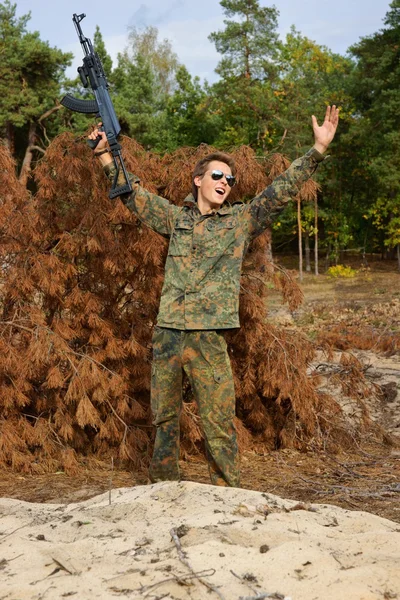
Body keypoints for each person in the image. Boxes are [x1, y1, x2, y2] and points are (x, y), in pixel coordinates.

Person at [90, 105, 339, 488]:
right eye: (218, 175)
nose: (225, 182)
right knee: (164, 419)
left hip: (209, 338)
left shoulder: (240, 222)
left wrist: (317, 150)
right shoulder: (175, 219)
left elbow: (280, 191)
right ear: (198, 180)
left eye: (231, 179)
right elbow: (132, 194)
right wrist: (106, 154)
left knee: (219, 421)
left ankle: (226, 495)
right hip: (169, 334)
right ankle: (163, 490)